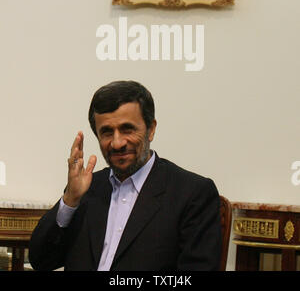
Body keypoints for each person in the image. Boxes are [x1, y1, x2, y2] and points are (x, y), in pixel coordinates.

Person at [29, 80, 221, 271]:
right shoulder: (86, 189)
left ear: (151, 129)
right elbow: (41, 261)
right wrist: (70, 200)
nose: (117, 142)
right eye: (106, 132)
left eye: (127, 129)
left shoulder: (192, 193)